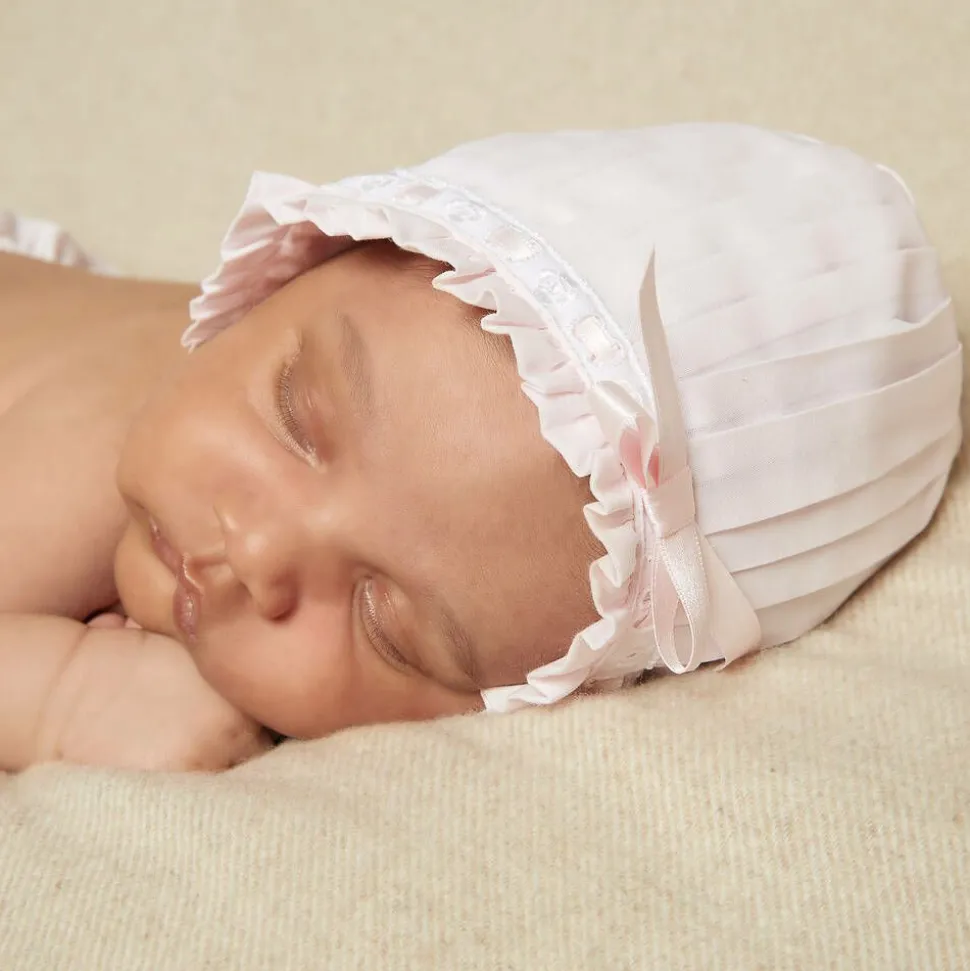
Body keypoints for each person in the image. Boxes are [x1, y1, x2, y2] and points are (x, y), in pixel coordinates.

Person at [0, 124, 962, 772]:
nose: (257, 550)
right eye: (295, 413)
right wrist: (57, 695)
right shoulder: (72, 466)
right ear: (294, 268)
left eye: (385, 623)